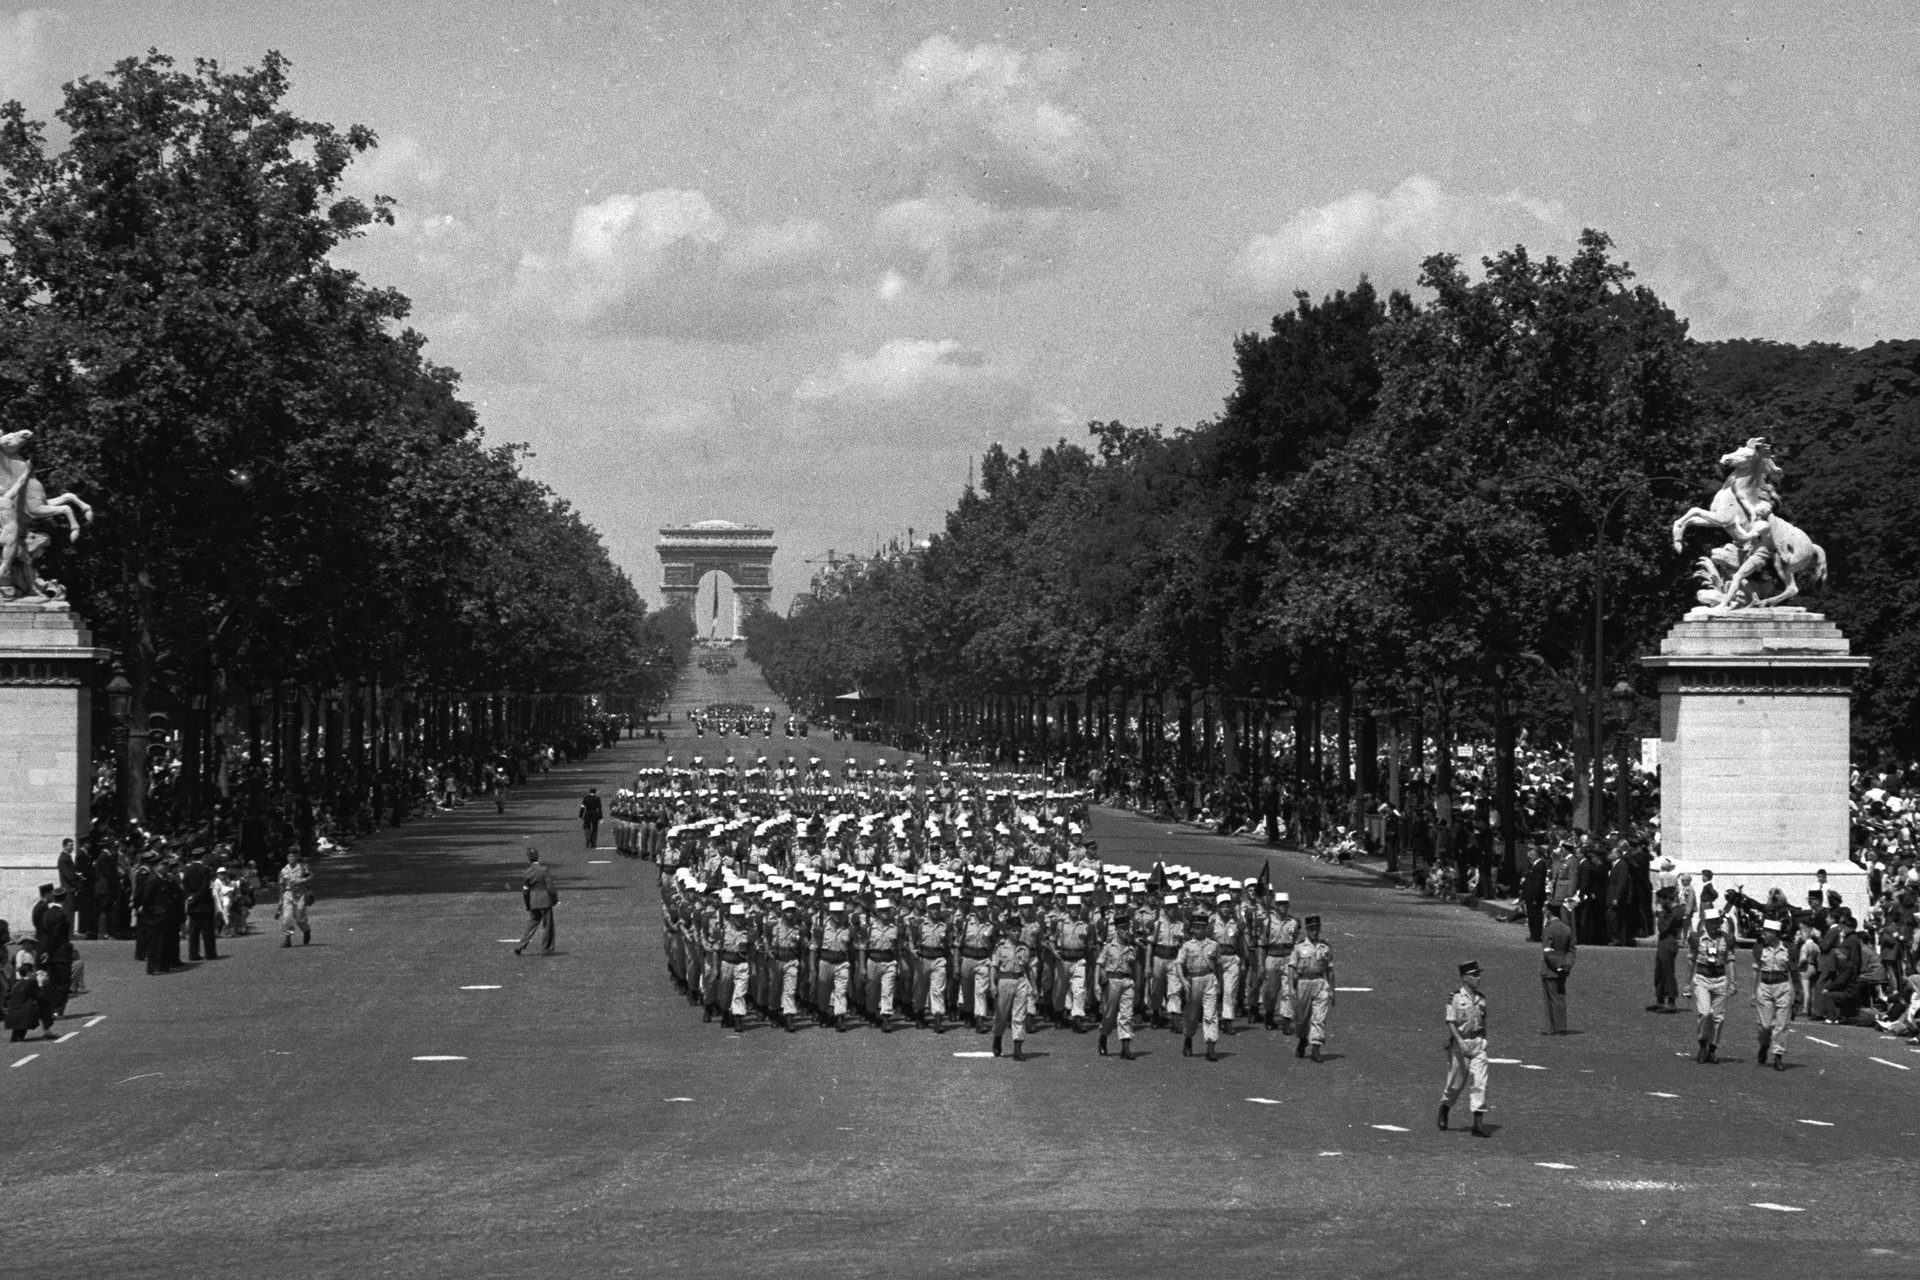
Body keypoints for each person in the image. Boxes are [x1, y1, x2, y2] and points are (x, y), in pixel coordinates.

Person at [1440, 959, 1491, 1138]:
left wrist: (1483, 1041)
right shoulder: (1455, 997)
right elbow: (1451, 1021)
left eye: (1478, 974)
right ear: (1464, 978)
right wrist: (1459, 1042)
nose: (1478, 978)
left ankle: (1478, 1123)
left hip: (1477, 1044)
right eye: (1474, 975)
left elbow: (1483, 1024)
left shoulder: (1481, 999)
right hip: (1459, 1045)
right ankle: (1445, 1107)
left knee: (1479, 1083)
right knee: (1455, 1085)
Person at [1688, 907, 1736, 1063]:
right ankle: (1702, 1043)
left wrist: (1733, 982)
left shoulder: (1726, 939)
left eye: (1719, 923)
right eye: (1714, 923)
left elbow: (1730, 960)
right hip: (1702, 978)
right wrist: (1687, 983)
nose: (1717, 926)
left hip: (1720, 979)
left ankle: (1712, 1049)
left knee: (1718, 1018)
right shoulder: (1697, 938)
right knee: (1705, 1012)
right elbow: (1692, 960)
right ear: (1706, 923)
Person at [1284, 915, 1335, 1061]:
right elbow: (1291, 968)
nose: (1314, 931)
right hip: (1303, 983)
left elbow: (1330, 970)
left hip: (1319, 982)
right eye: (1312, 929)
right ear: (1307, 930)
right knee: (1301, 1019)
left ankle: (1316, 1048)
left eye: (1317, 928)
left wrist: (1332, 989)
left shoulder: (1325, 948)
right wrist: (1291, 988)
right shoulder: (1299, 947)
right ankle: (1302, 1039)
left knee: (1319, 1017)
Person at [1175, 911, 1222, 1061]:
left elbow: (1218, 964)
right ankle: (1188, 1038)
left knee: (1210, 1014)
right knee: (1192, 1014)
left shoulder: (1214, 945)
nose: (1198, 930)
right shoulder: (1187, 946)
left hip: (1209, 978)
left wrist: (1219, 983)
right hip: (1193, 980)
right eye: (1195, 927)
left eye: (1201, 927)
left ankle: (1211, 1046)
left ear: (1206, 928)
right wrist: (1183, 981)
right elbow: (1179, 964)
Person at [1096, 907, 1139, 1059]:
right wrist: (1097, 983)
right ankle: (1103, 1037)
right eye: (1123, 929)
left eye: (1127, 928)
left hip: (1127, 980)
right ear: (1117, 930)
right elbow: (1099, 964)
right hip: (1112, 981)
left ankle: (1125, 1047)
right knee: (1109, 1014)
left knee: (1127, 1014)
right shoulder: (1109, 946)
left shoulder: (1132, 948)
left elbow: (1134, 966)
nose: (1126, 931)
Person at [1752, 917, 1792, 1071]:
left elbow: (1793, 971)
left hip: (1782, 987)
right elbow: (1756, 970)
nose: (1764, 934)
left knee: (1781, 1024)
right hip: (1765, 987)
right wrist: (1752, 992)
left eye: (1767, 932)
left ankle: (1778, 1056)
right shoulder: (1760, 949)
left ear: (1775, 934)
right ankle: (1764, 1044)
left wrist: (1797, 992)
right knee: (1765, 1025)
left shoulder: (1787, 949)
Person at [989, 913, 1031, 1060]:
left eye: (1019, 930)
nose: (1017, 933)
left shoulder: (1025, 948)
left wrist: (1034, 987)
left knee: (1019, 1015)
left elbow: (1029, 968)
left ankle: (1017, 1048)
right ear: (1007, 931)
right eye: (1014, 930)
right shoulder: (1001, 947)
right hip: (1004, 982)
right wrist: (992, 984)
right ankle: (998, 1038)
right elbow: (994, 967)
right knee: (1001, 1015)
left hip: (1020, 981)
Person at [514, 847, 557, 956]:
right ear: (538, 856)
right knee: (548, 925)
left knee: (531, 924)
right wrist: (554, 899)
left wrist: (528, 905)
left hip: (534, 901)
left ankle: (520, 945)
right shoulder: (544, 870)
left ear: (529, 859)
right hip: (545, 900)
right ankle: (546, 948)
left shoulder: (527, 872)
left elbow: (525, 891)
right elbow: (550, 887)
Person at [1540, 900, 1575, 1034]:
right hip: (1564, 965)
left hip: (1550, 968)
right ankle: (1562, 1026)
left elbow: (1547, 951)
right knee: (1560, 996)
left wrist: (1557, 966)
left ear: (1549, 912)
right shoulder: (1567, 929)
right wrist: (1567, 965)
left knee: (1550, 998)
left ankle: (1552, 1027)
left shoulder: (1548, 929)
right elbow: (1572, 950)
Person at [279, 851, 314, 947]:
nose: (291, 858)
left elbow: (311, 876)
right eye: (289, 856)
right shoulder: (284, 870)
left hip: (300, 894)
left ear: (297, 857)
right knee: (287, 918)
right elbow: (281, 886)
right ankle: (287, 939)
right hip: (288, 894)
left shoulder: (302, 867)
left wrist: (302, 880)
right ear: (287, 858)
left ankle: (306, 930)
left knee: (300, 919)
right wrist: (280, 900)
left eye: (293, 856)